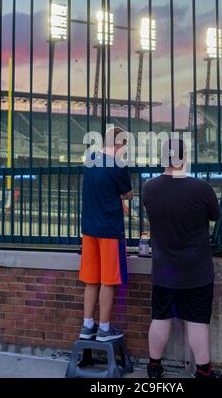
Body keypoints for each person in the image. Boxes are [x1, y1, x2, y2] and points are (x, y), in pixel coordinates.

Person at [143, 138, 222, 378]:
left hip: (164, 268)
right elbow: (215, 215)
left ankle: (154, 368)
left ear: (162, 158)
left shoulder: (149, 188)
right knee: (197, 321)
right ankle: (203, 371)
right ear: (183, 158)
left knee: (160, 316)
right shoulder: (201, 189)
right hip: (196, 269)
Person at [79, 126, 133, 342]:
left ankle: (87, 326)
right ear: (119, 143)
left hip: (89, 228)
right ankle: (104, 328)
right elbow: (127, 194)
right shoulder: (118, 165)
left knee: (91, 280)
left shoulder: (90, 159)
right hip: (109, 230)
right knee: (108, 281)